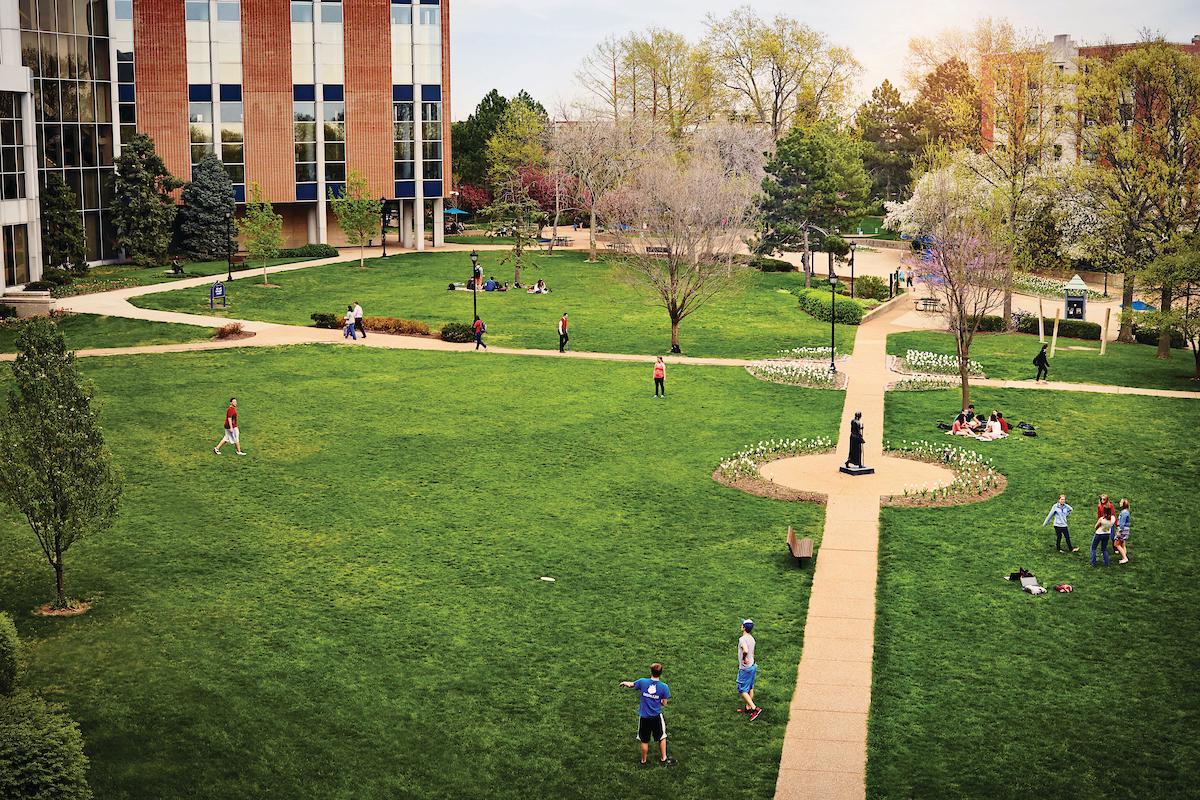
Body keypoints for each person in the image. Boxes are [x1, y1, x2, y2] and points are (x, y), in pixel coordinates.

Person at [618, 663, 677, 766]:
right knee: (662, 736)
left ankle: (643, 761)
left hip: (644, 717)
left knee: (644, 740)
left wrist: (625, 682)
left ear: (651, 672)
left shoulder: (643, 682)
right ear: (661, 673)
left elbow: (631, 684)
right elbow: (664, 703)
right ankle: (664, 758)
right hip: (656, 717)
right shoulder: (664, 687)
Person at [736, 620, 762, 720]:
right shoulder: (752, 639)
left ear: (744, 628)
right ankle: (748, 708)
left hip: (745, 668)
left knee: (741, 688)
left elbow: (745, 650)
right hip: (752, 666)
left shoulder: (742, 639)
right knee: (750, 687)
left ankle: (755, 709)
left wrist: (744, 658)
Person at [1114, 498, 1131, 564]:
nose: (1119, 503)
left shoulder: (1124, 512)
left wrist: (1119, 531)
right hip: (1126, 529)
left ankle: (1125, 558)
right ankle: (1124, 557)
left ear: (1124, 504)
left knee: (1116, 544)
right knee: (1122, 544)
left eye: (1121, 502)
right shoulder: (1126, 511)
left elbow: (1122, 523)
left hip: (1122, 530)